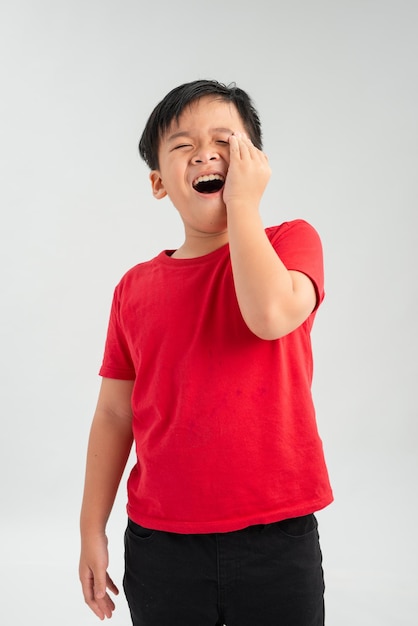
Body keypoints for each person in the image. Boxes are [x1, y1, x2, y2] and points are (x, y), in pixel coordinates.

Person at [79, 79, 333, 626]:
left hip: (277, 538)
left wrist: (243, 202)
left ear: (255, 161)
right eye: (182, 146)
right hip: (162, 544)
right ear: (158, 183)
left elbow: (268, 316)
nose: (206, 153)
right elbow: (114, 413)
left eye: (226, 141)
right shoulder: (134, 288)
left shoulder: (292, 242)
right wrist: (90, 530)